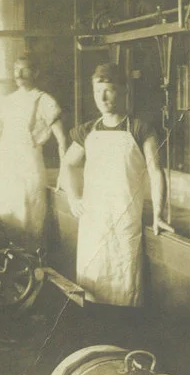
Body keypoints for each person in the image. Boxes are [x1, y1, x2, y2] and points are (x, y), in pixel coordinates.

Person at [60, 62, 168, 307]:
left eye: (109, 90)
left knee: (125, 285)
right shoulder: (87, 131)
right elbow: (68, 164)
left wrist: (159, 214)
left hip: (124, 220)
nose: (104, 97)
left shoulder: (140, 129)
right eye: (98, 92)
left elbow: (156, 171)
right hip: (93, 223)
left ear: (123, 91)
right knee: (92, 286)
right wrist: (73, 197)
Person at [0, 55, 68, 245]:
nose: (18, 73)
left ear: (35, 73)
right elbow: (5, 141)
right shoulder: (9, 101)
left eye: (24, 69)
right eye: (16, 69)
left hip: (30, 168)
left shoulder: (44, 100)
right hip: (8, 168)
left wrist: (64, 174)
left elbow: (62, 140)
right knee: (8, 220)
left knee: (30, 221)